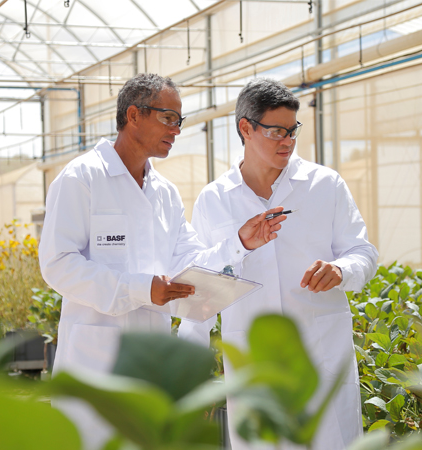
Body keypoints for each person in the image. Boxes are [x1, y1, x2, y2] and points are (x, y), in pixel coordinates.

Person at [38, 73, 287, 449]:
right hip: (95, 365)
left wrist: (239, 243)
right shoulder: (82, 178)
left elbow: (191, 261)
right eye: (168, 118)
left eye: (179, 120)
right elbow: (57, 263)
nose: (176, 129)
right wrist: (141, 289)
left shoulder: (165, 194)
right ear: (134, 115)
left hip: (151, 368)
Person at [178, 78, 379, 450]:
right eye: (275, 131)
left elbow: (363, 252)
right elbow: (199, 286)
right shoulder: (214, 199)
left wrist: (341, 270)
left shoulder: (325, 185)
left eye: (292, 130)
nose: (287, 141)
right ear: (245, 128)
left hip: (322, 356)